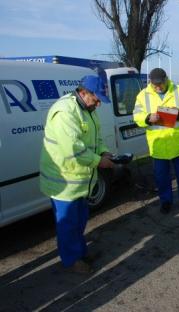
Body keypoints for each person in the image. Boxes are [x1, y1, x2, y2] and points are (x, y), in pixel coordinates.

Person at [39, 75, 114, 274]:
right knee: (68, 225)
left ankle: (80, 252)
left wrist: (104, 151)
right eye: (96, 99)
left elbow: (97, 137)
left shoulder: (87, 109)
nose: (98, 104)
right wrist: (100, 161)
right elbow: (73, 149)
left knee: (79, 221)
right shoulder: (65, 112)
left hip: (80, 181)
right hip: (63, 183)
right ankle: (71, 260)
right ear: (83, 93)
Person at [133, 68, 179, 214]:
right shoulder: (143, 95)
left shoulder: (178, 90)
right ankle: (166, 201)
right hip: (158, 146)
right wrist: (148, 118)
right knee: (162, 178)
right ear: (150, 82)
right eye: (154, 85)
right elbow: (136, 116)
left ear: (166, 79)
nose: (158, 87)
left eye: (160, 84)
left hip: (178, 144)